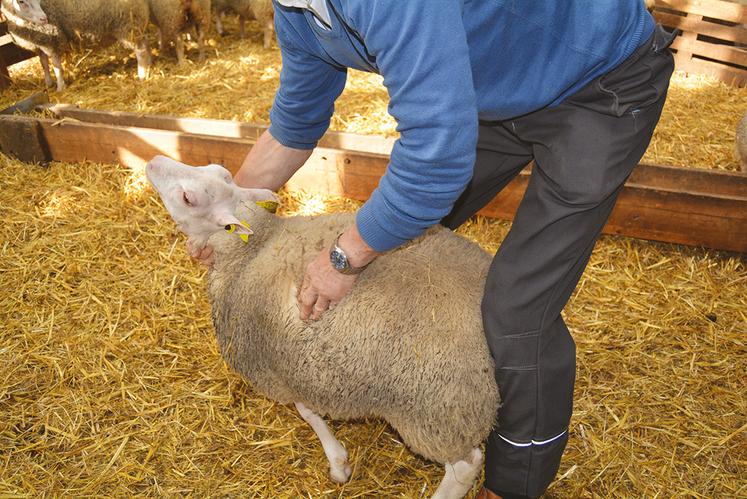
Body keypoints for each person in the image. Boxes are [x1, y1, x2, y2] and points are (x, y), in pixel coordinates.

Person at [201, 1, 675, 497]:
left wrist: (344, 256)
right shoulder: (296, 7)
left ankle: (515, 482)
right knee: (400, 245)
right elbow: (294, 124)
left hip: (600, 83)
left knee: (517, 308)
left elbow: (433, 166)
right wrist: (230, 227)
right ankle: (421, 387)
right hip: (496, 90)